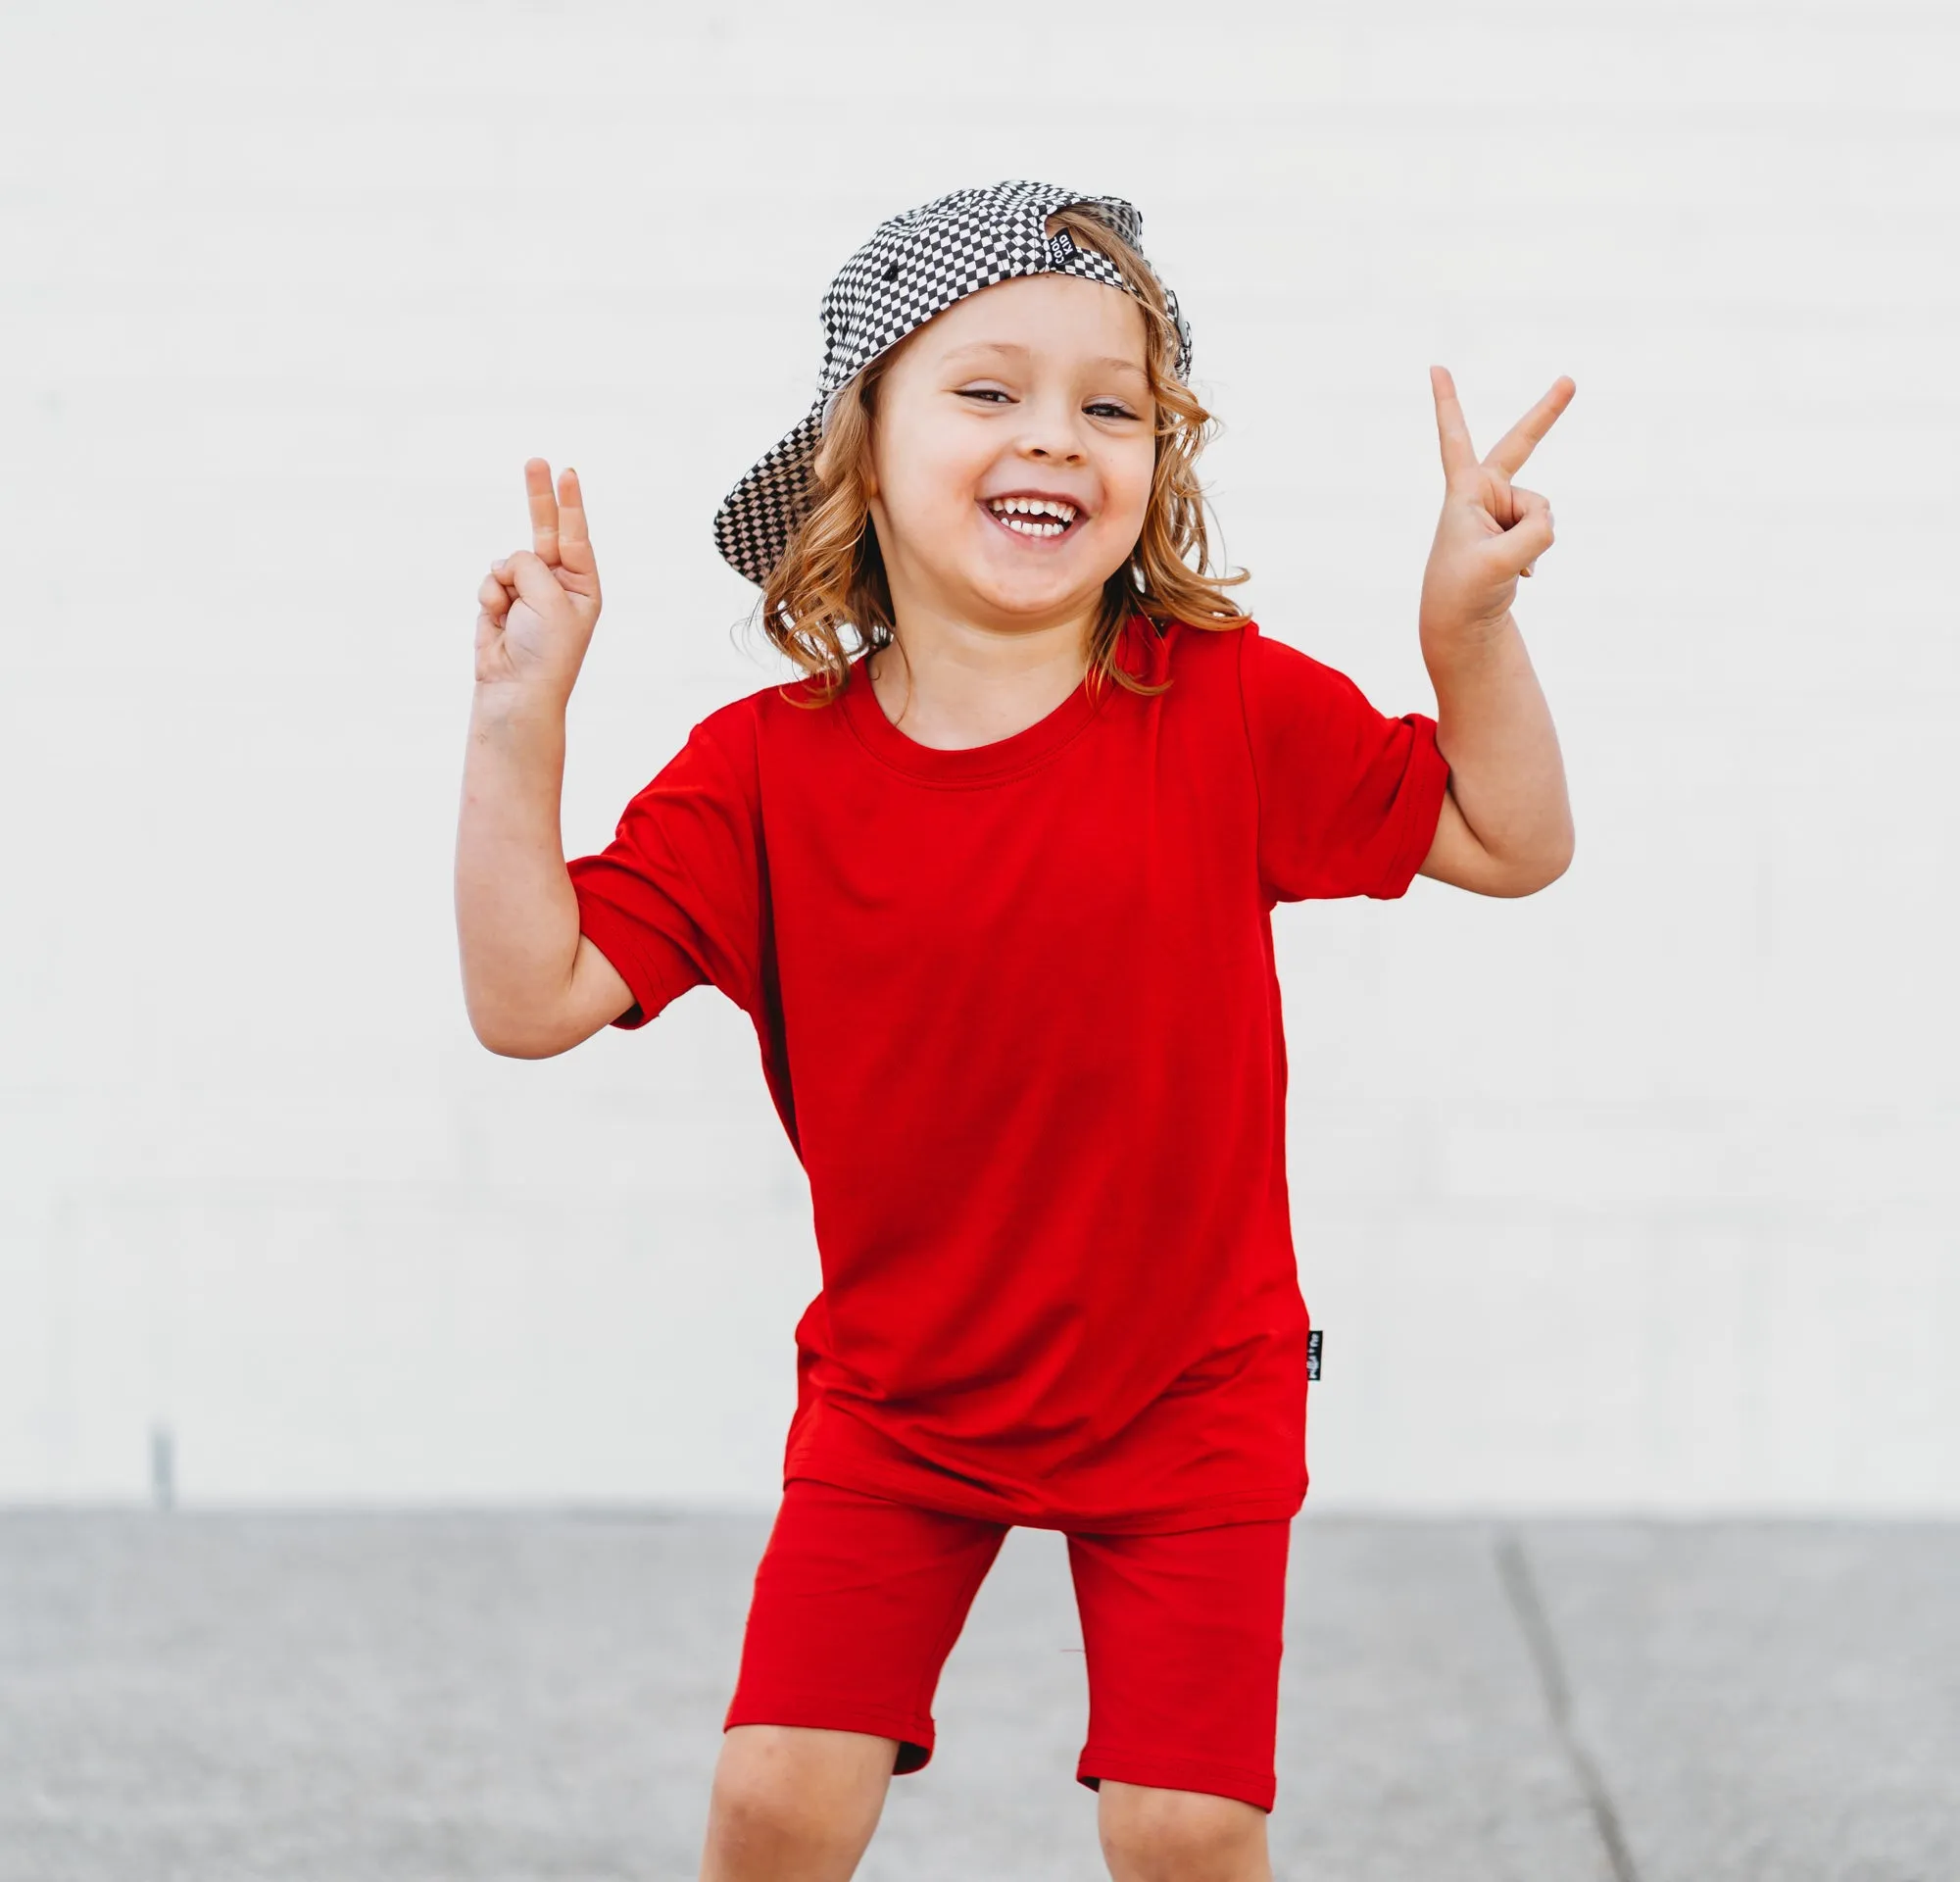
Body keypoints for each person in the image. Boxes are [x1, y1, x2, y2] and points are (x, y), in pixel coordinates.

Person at [455, 179, 1574, 1882]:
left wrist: (1466, 633)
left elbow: (1511, 839)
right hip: (903, 1400)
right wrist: (518, 721)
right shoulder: (764, 773)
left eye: (1108, 406)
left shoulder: (1224, 708)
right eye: (988, 389)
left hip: (1190, 1388)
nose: (1056, 434)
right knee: (771, 1803)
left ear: (1151, 468)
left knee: (1186, 1827)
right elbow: (528, 999)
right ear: (863, 446)